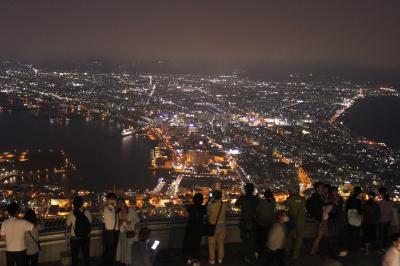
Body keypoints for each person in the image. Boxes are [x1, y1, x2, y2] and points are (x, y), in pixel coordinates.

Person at [235, 183, 259, 263]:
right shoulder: (255, 198)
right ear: (252, 190)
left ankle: (247, 255)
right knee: (252, 239)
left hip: (244, 222)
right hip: (253, 221)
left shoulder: (243, 198)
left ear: (245, 189)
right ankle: (251, 254)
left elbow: (236, 204)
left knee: (245, 239)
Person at [66, 196, 92, 266]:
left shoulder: (72, 212)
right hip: (85, 237)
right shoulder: (86, 211)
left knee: (75, 256)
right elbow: (90, 221)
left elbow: (68, 223)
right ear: (82, 203)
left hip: (75, 237)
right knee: (86, 255)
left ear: (74, 204)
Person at [182, 193, 207, 265]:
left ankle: (189, 258)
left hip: (190, 227)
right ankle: (195, 260)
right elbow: (205, 215)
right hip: (198, 228)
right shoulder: (203, 208)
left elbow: (187, 213)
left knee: (189, 242)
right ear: (201, 200)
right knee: (196, 244)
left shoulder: (190, 207)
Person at [116, 197, 140, 266]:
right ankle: (127, 263)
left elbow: (137, 221)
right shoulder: (119, 213)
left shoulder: (131, 210)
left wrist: (130, 223)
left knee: (130, 250)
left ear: (124, 203)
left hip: (132, 233)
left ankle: (131, 263)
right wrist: (120, 223)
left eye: (121, 202)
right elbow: (118, 224)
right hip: (123, 233)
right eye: (118, 203)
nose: (120, 204)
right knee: (125, 249)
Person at [284, 182, 306, 259]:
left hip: (292, 221)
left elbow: (286, 210)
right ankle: (295, 255)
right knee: (299, 238)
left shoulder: (289, 200)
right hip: (301, 222)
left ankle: (287, 252)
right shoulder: (303, 199)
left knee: (289, 237)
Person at [207, 190, 228, 265]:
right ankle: (220, 259)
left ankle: (212, 259)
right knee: (221, 243)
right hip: (222, 226)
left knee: (211, 243)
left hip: (212, 226)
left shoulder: (210, 205)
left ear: (214, 196)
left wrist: (209, 201)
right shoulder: (225, 204)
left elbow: (208, 213)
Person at [307, 182, 326, 255]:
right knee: (319, 236)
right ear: (317, 188)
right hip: (320, 219)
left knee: (318, 235)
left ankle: (317, 249)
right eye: (321, 187)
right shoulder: (318, 197)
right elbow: (323, 206)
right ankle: (313, 251)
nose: (323, 188)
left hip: (317, 218)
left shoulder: (315, 196)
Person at [256, 189, 276, 258]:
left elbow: (257, 210)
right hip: (269, 222)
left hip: (261, 222)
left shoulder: (261, 202)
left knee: (261, 238)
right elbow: (274, 211)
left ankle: (260, 252)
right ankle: (268, 251)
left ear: (264, 195)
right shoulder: (273, 202)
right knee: (268, 237)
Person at [102, 192, 120, 266]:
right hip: (110, 232)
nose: (114, 200)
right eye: (112, 199)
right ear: (108, 200)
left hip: (114, 231)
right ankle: (107, 263)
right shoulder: (107, 208)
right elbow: (104, 218)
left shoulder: (113, 208)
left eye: (114, 199)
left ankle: (108, 263)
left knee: (110, 250)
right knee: (110, 251)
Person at [346, 186, 363, 252]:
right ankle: (355, 248)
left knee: (350, 233)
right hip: (356, 219)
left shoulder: (349, 199)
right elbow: (360, 210)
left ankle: (350, 247)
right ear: (359, 192)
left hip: (350, 218)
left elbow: (347, 209)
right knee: (356, 234)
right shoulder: (358, 200)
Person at [378, 188, 393, 252]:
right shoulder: (389, 201)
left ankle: (380, 248)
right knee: (386, 234)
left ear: (382, 193)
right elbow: (391, 211)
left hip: (382, 220)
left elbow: (380, 212)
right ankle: (385, 247)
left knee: (381, 235)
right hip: (388, 220)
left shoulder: (381, 202)